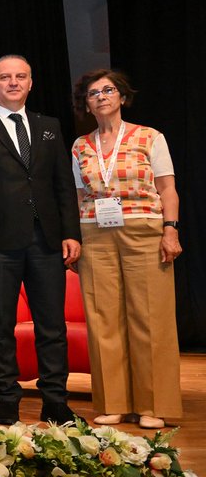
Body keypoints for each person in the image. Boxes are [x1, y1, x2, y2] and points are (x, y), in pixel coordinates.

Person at [0, 54, 81, 425]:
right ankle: (8, 401)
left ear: (31, 83)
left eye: (20, 76)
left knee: (53, 325)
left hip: (47, 240)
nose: (13, 82)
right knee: (0, 326)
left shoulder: (49, 126)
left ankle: (55, 401)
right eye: (5, 77)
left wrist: (70, 233)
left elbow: (63, 183)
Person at [70, 69, 182, 429]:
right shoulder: (79, 146)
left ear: (121, 96)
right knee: (103, 319)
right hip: (95, 234)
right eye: (93, 93)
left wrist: (171, 230)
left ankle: (152, 405)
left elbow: (167, 189)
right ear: (86, 104)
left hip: (144, 231)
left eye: (108, 90)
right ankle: (113, 401)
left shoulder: (150, 137)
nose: (101, 96)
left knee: (151, 317)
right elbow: (77, 196)